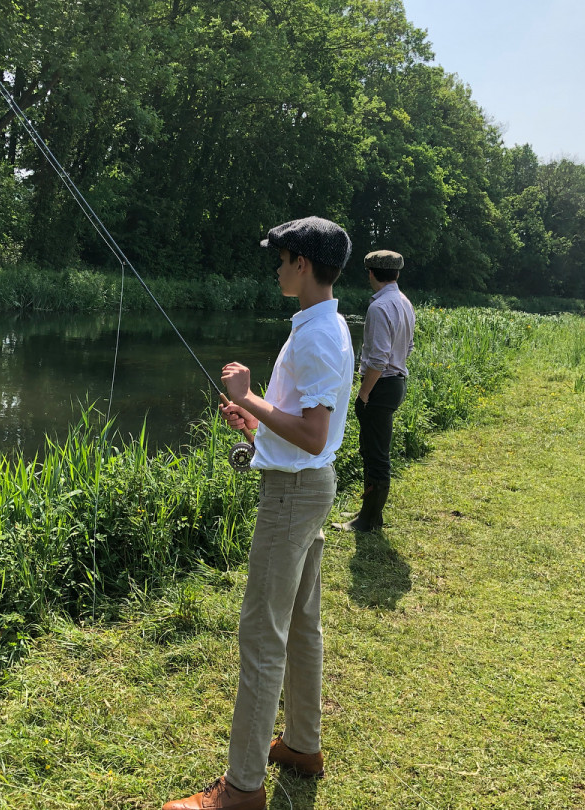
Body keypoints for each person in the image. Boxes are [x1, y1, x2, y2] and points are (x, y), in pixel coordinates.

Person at [161, 216, 354, 810]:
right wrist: (257, 424)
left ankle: (240, 790)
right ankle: (302, 744)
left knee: (261, 636)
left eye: (279, 257)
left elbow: (316, 435)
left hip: (293, 497)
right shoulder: (325, 325)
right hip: (305, 487)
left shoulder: (318, 334)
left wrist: (247, 396)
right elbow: (300, 426)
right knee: (299, 623)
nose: (275, 267)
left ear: (300, 261)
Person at [333, 250, 415, 533]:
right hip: (396, 382)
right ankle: (370, 513)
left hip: (380, 385)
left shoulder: (379, 308)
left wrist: (364, 393)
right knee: (373, 449)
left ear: (370, 273)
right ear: (397, 274)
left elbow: (378, 359)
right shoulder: (404, 302)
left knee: (375, 453)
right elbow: (409, 347)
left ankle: (368, 520)